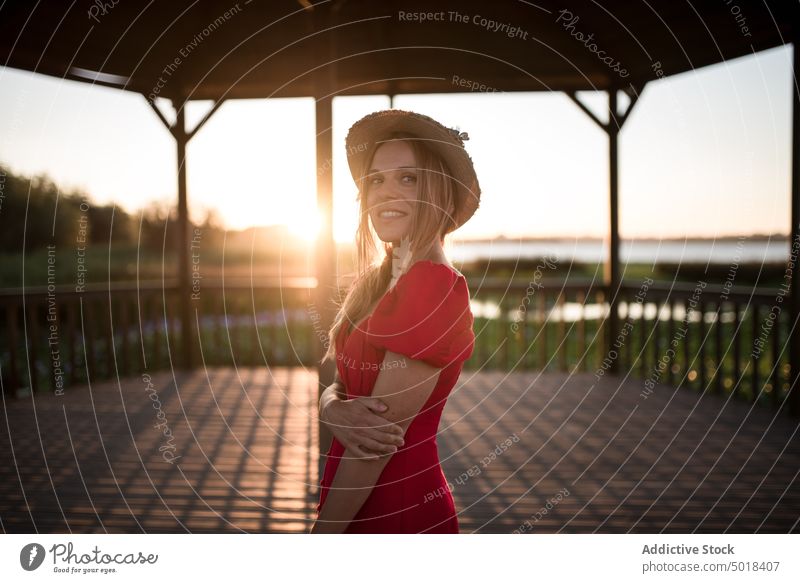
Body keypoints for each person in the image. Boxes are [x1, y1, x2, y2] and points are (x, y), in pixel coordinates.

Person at [309, 109, 481, 534]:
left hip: (396, 510)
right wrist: (330, 408)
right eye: (376, 180)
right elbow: (343, 385)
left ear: (438, 191)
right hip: (355, 501)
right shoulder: (377, 280)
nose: (386, 193)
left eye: (408, 178)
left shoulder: (432, 287)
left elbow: (374, 447)